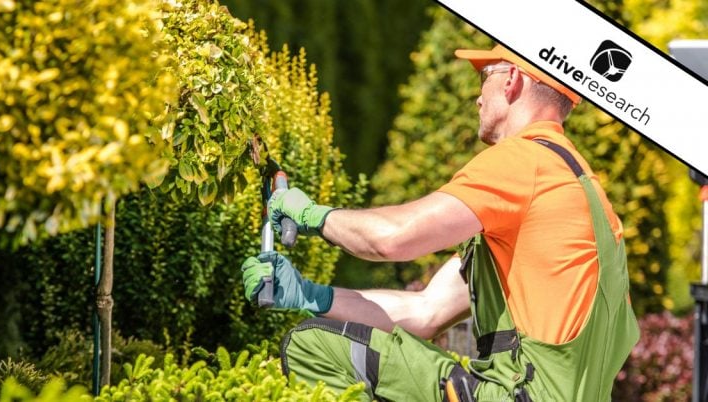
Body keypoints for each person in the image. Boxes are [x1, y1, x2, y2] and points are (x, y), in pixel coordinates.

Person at [241, 44, 639, 402]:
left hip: (516, 397)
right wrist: (308, 295)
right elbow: (426, 312)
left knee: (311, 346)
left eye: (485, 77)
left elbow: (392, 240)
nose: (478, 97)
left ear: (513, 80)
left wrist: (314, 215)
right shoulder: (583, 193)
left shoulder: (524, 161)